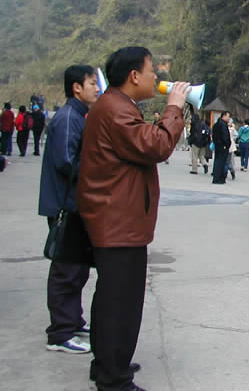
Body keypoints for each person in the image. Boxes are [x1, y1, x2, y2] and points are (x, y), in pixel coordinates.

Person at [76, 47, 189, 391]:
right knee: (121, 303)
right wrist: (174, 107)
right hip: (118, 222)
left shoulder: (114, 105)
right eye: (152, 71)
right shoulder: (116, 109)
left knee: (110, 298)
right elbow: (156, 146)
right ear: (134, 76)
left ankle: (107, 364)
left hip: (115, 219)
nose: (156, 77)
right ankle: (114, 379)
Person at [38, 65, 99, 355]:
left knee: (77, 268)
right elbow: (66, 161)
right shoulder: (67, 118)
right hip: (66, 205)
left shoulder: (78, 116)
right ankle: (59, 333)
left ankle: (73, 320)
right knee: (65, 269)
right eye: (91, 83)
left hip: (77, 204)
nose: (96, 88)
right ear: (77, 87)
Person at [212, 111, 231, 184]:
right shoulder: (223, 125)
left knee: (217, 161)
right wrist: (227, 144)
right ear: (224, 116)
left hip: (217, 145)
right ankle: (219, 178)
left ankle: (217, 177)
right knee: (221, 163)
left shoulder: (216, 124)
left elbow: (213, 135)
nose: (229, 118)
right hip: (223, 146)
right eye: (228, 116)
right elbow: (225, 136)